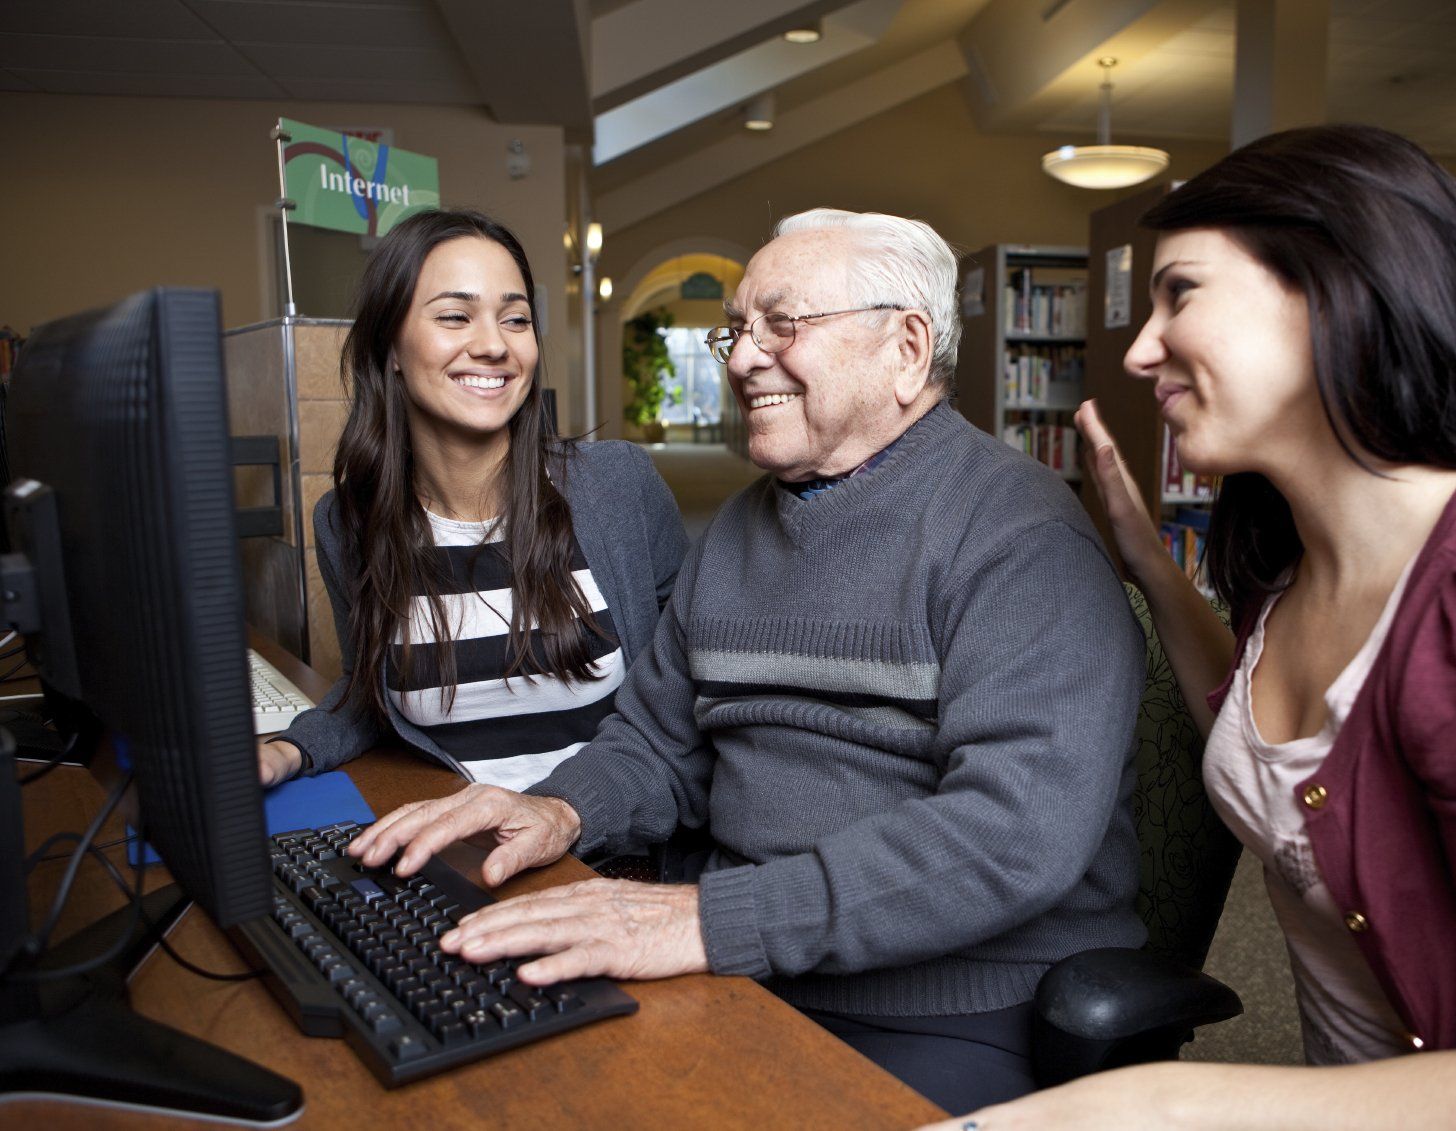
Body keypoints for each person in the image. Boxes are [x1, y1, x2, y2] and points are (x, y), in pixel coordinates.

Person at [927, 125, 1456, 1131]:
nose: (1139, 348)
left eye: (1182, 293)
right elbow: (1262, 741)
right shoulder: (1293, 558)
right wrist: (1153, 567)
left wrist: (1150, 1107)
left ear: (1338, 289)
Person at [346, 208, 1148, 1115]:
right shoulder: (736, 530)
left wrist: (710, 919)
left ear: (907, 348)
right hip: (746, 961)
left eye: (784, 325)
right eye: (739, 329)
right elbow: (657, 741)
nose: (738, 358)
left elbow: (1012, 834)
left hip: (951, 1003)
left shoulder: (1017, 535)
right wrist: (561, 808)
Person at [257, 208, 688, 794]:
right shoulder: (349, 522)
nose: (493, 346)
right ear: (390, 348)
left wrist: (562, 814)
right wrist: (288, 750)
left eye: (515, 319)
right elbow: (368, 693)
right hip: (456, 847)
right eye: (456, 316)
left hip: (601, 847)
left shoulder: (618, 488)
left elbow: (685, 689)